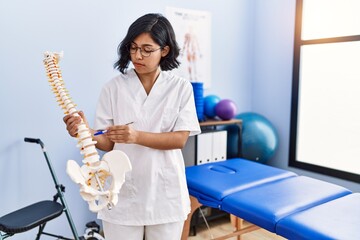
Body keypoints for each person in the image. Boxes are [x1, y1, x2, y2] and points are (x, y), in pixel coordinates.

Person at [63, 13, 201, 240]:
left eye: (147, 49)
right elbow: (107, 143)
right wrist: (85, 133)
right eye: (133, 47)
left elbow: (179, 139)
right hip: (122, 192)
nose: (137, 55)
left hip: (164, 193)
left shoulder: (180, 88)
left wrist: (136, 136)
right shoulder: (113, 88)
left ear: (164, 51)